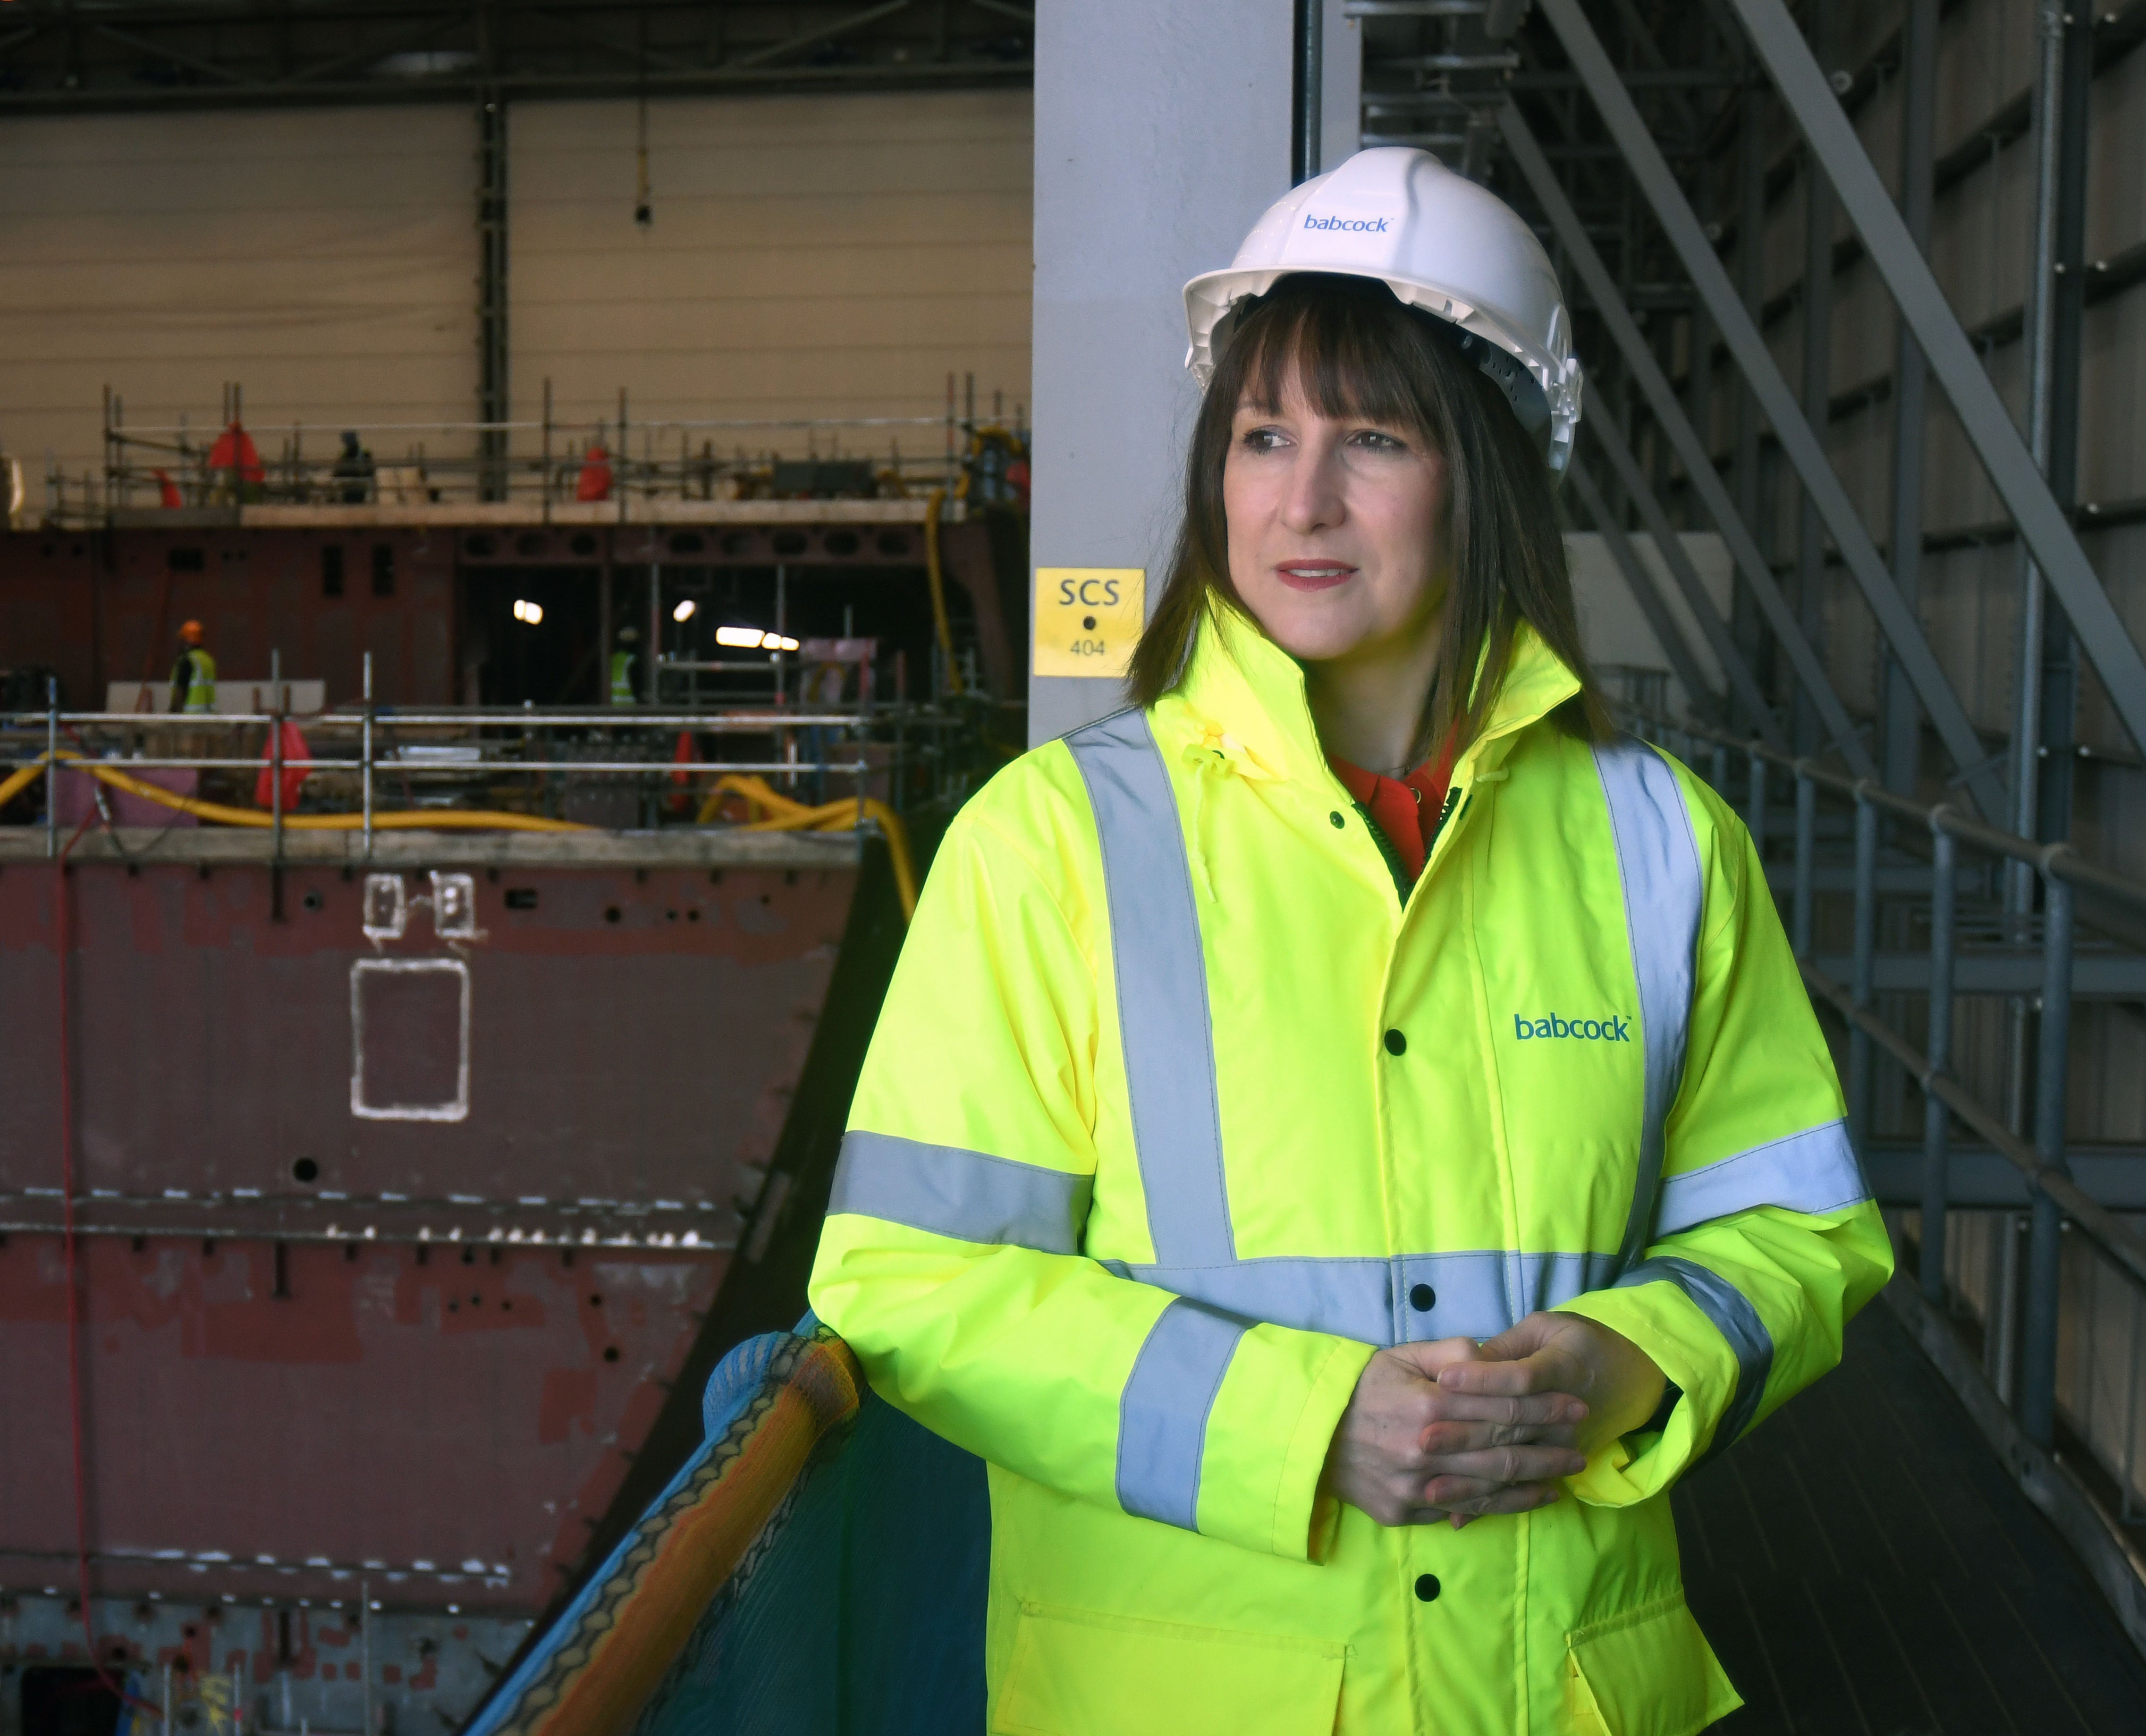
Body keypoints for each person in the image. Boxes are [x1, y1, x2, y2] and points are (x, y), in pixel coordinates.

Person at [809, 147, 1890, 1734]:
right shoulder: (1050, 846)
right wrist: (1302, 1420)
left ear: (1491, 466)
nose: (1297, 498)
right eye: (1261, 434)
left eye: (1368, 437)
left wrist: (1624, 1352)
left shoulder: (1657, 842)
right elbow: (900, 1278)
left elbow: (1797, 1230)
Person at [169, 620, 217, 715]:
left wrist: (173, 716)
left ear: (187, 639)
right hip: (208, 717)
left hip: (189, 718)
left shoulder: (188, 660)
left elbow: (181, 690)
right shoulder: (207, 659)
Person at [334, 431, 376, 504]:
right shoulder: (344, 453)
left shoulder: (364, 452)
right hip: (347, 484)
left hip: (361, 483)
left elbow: (370, 467)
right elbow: (339, 468)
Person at [609, 625, 640, 706]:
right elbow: (637, 685)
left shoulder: (613, 659)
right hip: (629, 706)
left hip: (612, 704)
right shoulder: (632, 660)